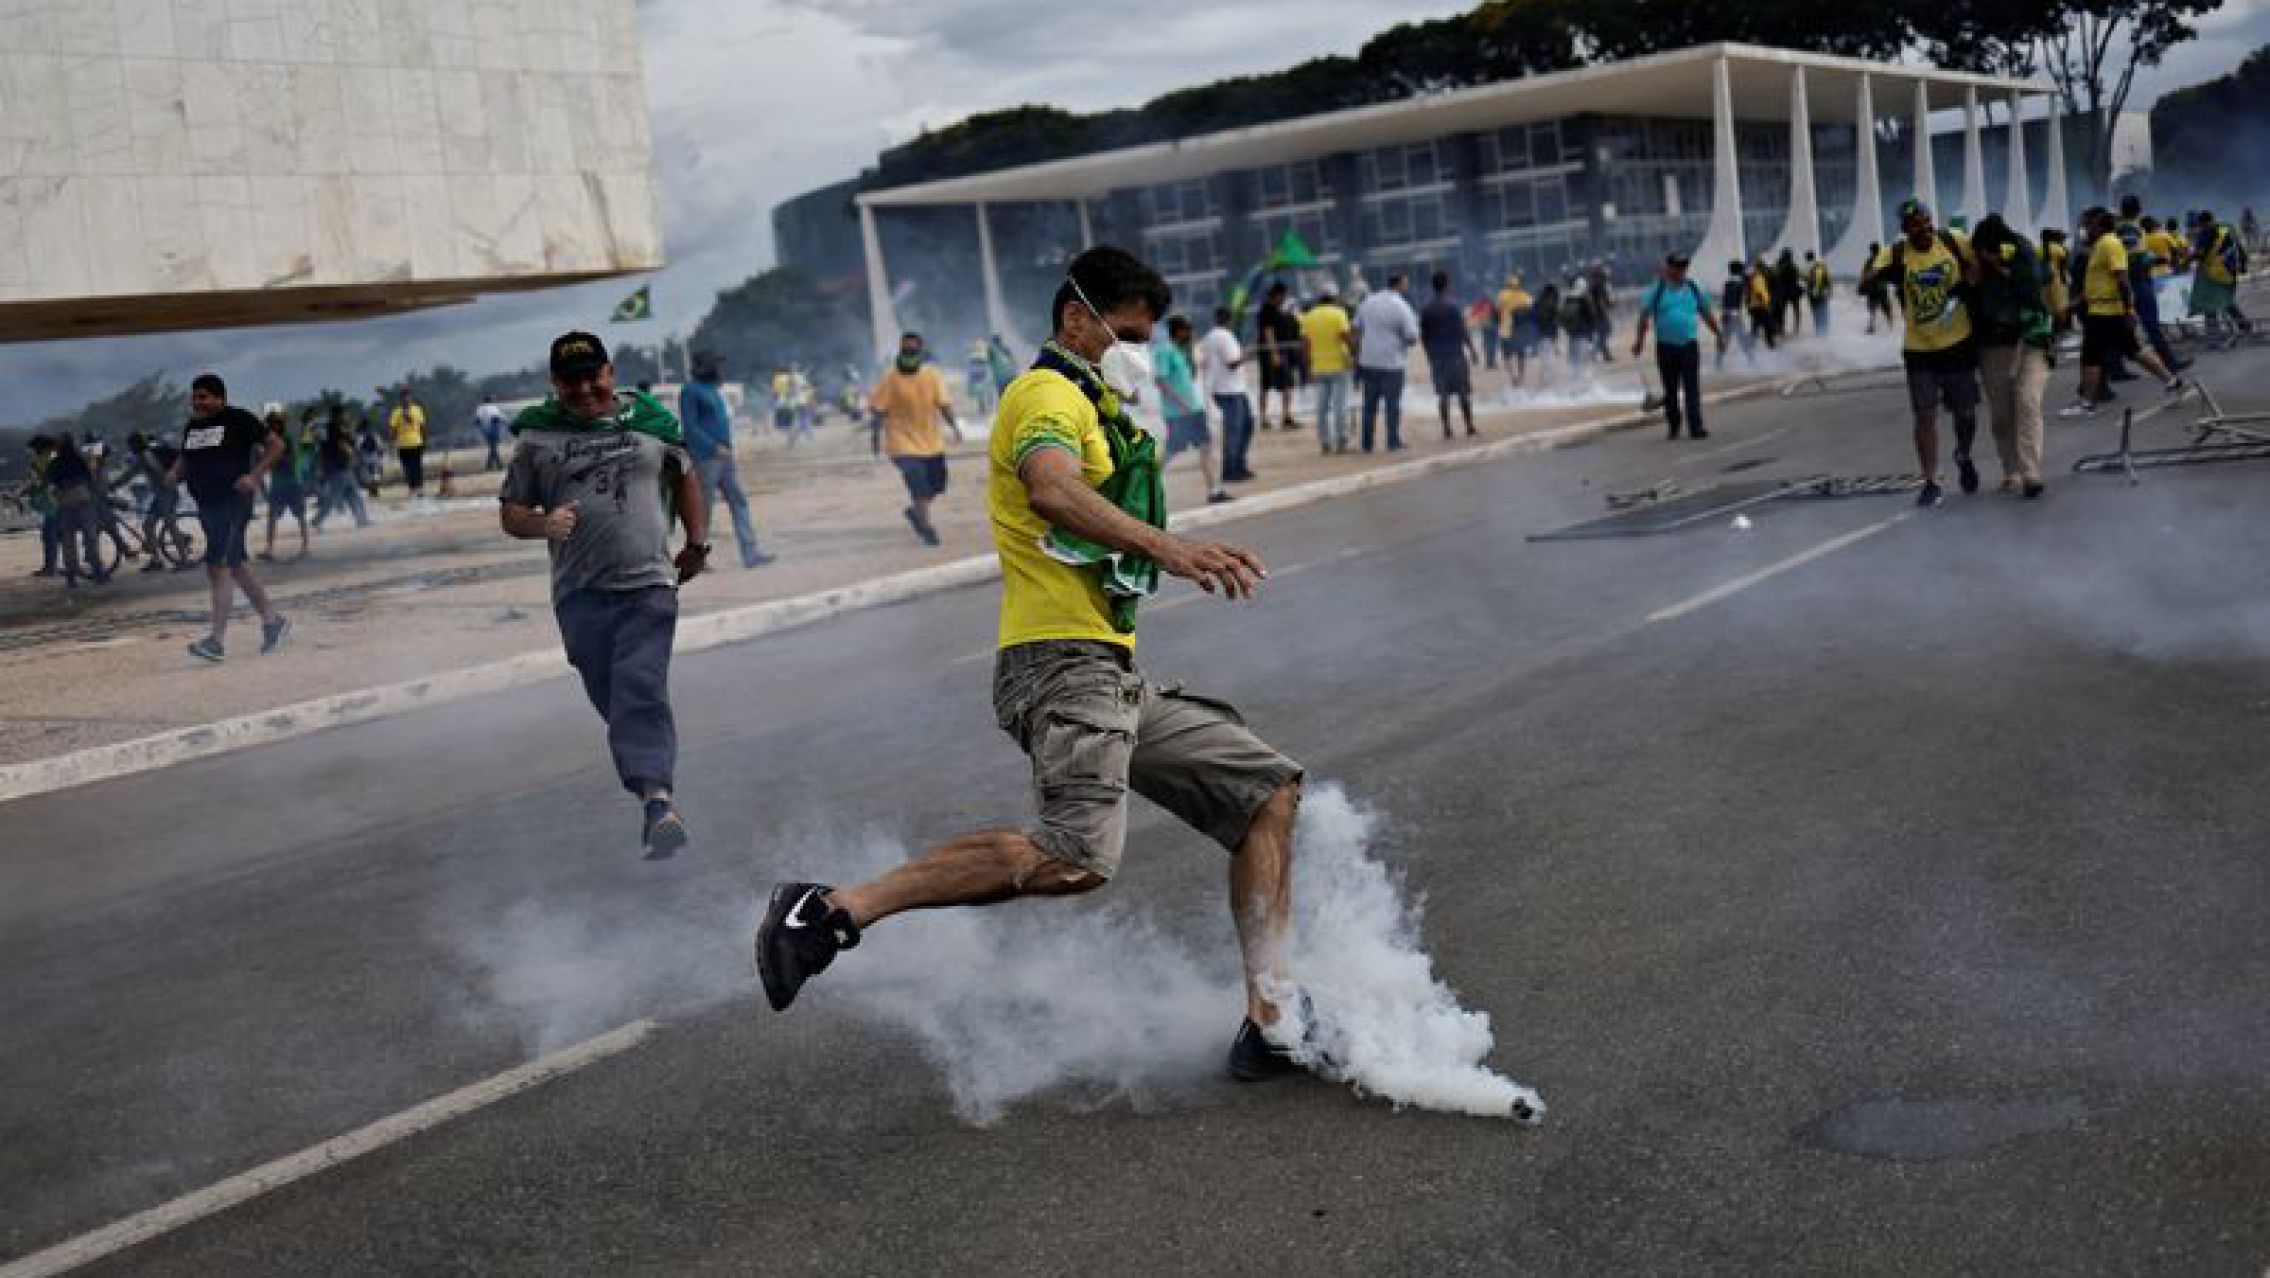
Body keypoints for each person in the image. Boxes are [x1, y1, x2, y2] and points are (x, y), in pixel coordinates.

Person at [753, 245, 1314, 1085]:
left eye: (1146, 337)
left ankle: (1274, 1020)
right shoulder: (1045, 394)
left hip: (1109, 669)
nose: (1137, 350)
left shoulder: (1096, 403)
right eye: (1126, 334)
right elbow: (1051, 488)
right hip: (1058, 663)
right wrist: (1172, 549)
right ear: (1076, 317)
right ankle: (829, 909)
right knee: (1074, 856)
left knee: (1265, 792)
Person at [499, 331, 709, 858]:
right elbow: (511, 513)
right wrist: (543, 524)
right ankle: (649, 776)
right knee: (615, 700)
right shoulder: (537, 437)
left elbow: (685, 476)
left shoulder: (651, 421)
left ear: (610, 372)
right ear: (555, 384)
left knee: (639, 685)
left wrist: (696, 544)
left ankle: (658, 802)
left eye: (593, 377)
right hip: (579, 595)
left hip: (648, 584)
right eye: (571, 381)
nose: (585, 389)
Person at [1863, 198, 1983, 508]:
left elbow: (1979, 262)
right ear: (1905, 230)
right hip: (1919, 349)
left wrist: (1970, 279)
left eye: (1925, 221)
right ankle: (1930, 480)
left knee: (1966, 413)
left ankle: (1963, 454)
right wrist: (1876, 272)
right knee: (1924, 415)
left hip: (1958, 342)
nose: (1923, 229)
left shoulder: (1952, 241)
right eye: (1914, 225)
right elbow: (1867, 279)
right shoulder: (1897, 253)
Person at [173, 374, 289, 660]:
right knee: (236, 566)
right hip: (207, 505)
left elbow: (277, 446)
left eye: (203, 396)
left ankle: (216, 641)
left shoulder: (239, 419)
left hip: (234, 503)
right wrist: (174, 473)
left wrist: (255, 476)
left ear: (220, 398)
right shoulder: (193, 426)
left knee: (219, 567)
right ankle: (273, 621)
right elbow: (185, 458)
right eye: (194, 396)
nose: (197, 402)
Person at [2059, 206, 2188, 419]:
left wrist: (2128, 310)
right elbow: (2096, 283)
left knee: (2091, 356)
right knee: (2134, 350)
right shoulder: (2100, 245)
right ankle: (2172, 381)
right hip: (2104, 309)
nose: (2084, 229)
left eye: (2087, 225)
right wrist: (2073, 304)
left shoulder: (2110, 244)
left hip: (2106, 311)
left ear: (2098, 225)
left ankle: (2087, 403)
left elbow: (2122, 280)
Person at [1971, 215, 2055, 500]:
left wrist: (2003, 267)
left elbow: (2033, 288)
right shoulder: (1974, 263)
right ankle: (2011, 469)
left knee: (2028, 401)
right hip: (1993, 344)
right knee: (2001, 414)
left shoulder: (2023, 252)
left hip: (2032, 339)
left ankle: (2031, 473)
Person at [869, 333, 964, 546]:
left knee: (936, 485)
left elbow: (944, 405)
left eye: (912, 352)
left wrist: (955, 427)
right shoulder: (890, 378)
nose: (908, 356)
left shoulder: (932, 376)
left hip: (931, 443)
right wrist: (874, 441)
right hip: (901, 444)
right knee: (917, 482)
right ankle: (926, 527)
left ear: (920, 353)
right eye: (905, 351)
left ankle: (915, 511)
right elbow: (877, 411)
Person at [682, 352, 774, 567]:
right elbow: (690, 427)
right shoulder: (690, 391)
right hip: (706, 459)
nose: (720, 370)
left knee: (739, 502)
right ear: (704, 367)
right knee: (704, 509)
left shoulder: (713, 390)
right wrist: (713, 447)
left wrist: (725, 448)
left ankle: (750, 554)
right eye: (716, 365)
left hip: (725, 457)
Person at [1632, 252, 1725, 442]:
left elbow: (1706, 312)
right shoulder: (1657, 290)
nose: (1681, 270)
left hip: (1689, 345)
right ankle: (1674, 425)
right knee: (1671, 389)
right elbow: (1644, 316)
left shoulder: (1694, 288)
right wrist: (1639, 341)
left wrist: (1718, 334)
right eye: (1677, 267)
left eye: (1684, 267)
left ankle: (1696, 427)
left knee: (1692, 388)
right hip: (1665, 347)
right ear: (1668, 268)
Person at [1155, 315, 1230, 504]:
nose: (1190, 332)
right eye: (1187, 329)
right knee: (1173, 450)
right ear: (1178, 330)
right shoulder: (1166, 351)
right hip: (1179, 412)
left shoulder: (1182, 351)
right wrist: (1181, 404)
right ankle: (1147, 479)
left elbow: (1194, 372)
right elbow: (1160, 381)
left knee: (1205, 446)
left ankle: (1214, 490)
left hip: (1192, 409)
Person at [2114, 196, 2188, 373]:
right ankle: (2169, 363)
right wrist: (2155, 259)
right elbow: (2131, 257)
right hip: (2137, 281)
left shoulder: (2125, 227)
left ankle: (2116, 368)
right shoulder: (2129, 228)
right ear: (2138, 209)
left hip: (2134, 280)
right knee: (2150, 324)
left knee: (2129, 327)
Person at [1354, 271, 1421, 452]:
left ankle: (1367, 443)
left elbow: (1357, 329)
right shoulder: (1401, 305)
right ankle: (1392, 441)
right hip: (1392, 363)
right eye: (1406, 283)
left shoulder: (1368, 301)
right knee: (1392, 404)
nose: (1407, 287)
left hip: (1369, 361)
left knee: (1369, 405)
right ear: (1399, 284)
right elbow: (1412, 336)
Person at [40, 435, 108, 587]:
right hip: (84, 501)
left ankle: (71, 578)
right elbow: (90, 479)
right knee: (90, 538)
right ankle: (98, 573)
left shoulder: (55, 462)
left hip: (65, 503)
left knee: (68, 541)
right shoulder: (79, 459)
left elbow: (46, 482)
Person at [1198, 307, 1256, 481]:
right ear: (1230, 320)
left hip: (1222, 388)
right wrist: (1248, 354)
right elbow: (1232, 363)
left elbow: (1204, 362)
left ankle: (1236, 465)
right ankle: (1232, 469)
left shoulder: (1208, 337)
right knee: (1237, 430)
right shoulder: (1225, 336)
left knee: (1240, 428)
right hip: (1231, 390)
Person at [1418, 271, 1478, 440]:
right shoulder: (1454, 305)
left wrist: (1429, 355)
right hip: (1455, 355)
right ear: (1446, 284)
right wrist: (1472, 350)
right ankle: (1469, 426)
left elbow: (1424, 336)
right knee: (1463, 392)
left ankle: (1447, 429)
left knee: (1443, 395)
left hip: (1438, 357)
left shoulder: (1426, 308)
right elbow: (1463, 330)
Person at [1299, 289, 1355, 454]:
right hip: (1339, 365)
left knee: (1321, 407)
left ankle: (1324, 442)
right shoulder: (1339, 313)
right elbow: (1345, 336)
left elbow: (1305, 344)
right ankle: (1341, 441)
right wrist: (1354, 353)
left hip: (1318, 367)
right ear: (1333, 300)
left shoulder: (1309, 317)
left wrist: (1307, 366)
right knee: (1340, 406)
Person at [2187, 209, 2252, 341]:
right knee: (2226, 300)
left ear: (2201, 223)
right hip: (2230, 272)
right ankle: (2244, 325)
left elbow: (2200, 253)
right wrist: (2243, 266)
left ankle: (2213, 332)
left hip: (2213, 274)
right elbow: (2239, 248)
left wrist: (2186, 260)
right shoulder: (2227, 229)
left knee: (2208, 303)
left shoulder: (2205, 232)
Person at [125, 432, 184, 571]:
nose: (130, 448)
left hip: (166, 494)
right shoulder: (144, 456)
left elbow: (157, 471)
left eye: (130, 445)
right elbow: (130, 474)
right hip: (161, 495)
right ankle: (156, 561)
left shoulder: (146, 456)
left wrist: (165, 483)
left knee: (171, 525)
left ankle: (184, 559)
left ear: (134, 445)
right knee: (148, 525)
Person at [259, 405, 310, 561]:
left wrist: (270, 457)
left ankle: (305, 547)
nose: (271, 427)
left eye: (273, 424)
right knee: (273, 516)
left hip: (291, 482)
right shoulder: (273, 440)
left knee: (299, 515)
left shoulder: (285, 439)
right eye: (270, 424)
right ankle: (269, 549)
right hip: (280, 483)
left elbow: (288, 459)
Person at [312, 407, 370, 531]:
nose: (347, 416)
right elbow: (342, 444)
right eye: (345, 414)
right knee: (333, 497)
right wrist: (352, 453)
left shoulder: (329, 428)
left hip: (338, 467)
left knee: (353, 493)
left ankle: (362, 519)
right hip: (338, 468)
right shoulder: (335, 428)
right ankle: (317, 520)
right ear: (339, 415)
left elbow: (323, 447)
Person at [1254, 282, 1302, 431]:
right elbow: (1269, 332)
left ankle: (1285, 416)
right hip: (1272, 353)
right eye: (1283, 295)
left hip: (1280, 351)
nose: (1284, 298)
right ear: (1277, 295)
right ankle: (1265, 418)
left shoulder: (1278, 309)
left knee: (1285, 384)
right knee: (1267, 385)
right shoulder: (1267, 309)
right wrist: (1274, 353)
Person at [1496, 271, 1535, 387]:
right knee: (1521, 355)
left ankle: (1513, 376)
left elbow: (1498, 310)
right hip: (1520, 331)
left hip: (1505, 330)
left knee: (1507, 356)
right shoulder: (1526, 296)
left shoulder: (1502, 295)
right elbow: (1531, 312)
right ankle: (1521, 378)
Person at [387, 388, 428, 500]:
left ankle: (419, 489)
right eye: (403, 397)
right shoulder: (396, 412)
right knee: (407, 468)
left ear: (411, 398)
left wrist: (425, 440)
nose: (406, 399)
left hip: (416, 442)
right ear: (400, 399)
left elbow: (422, 426)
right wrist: (391, 442)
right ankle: (412, 489)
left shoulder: (417, 409)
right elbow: (392, 428)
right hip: (402, 444)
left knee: (417, 467)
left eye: (407, 397)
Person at [1558, 271, 1595, 376]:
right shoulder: (1585, 299)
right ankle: (1585, 375)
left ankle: (1573, 376)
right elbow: (1591, 316)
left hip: (1572, 332)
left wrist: (1565, 328)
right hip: (1584, 332)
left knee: (1573, 355)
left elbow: (1561, 316)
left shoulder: (1567, 298)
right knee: (1585, 355)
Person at [1586, 258, 1616, 363]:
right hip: (1598, 312)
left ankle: (1604, 354)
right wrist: (1609, 304)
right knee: (1606, 330)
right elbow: (1602, 297)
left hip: (1596, 311)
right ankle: (1595, 352)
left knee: (1603, 332)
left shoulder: (1595, 281)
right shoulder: (1597, 282)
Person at [1746, 257, 1777, 350]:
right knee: (1767, 325)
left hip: (1754, 305)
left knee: (1756, 324)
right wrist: (1765, 303)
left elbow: (1751, 293)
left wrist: (1748, 304)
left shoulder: (1753, 278)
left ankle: (1752, 345)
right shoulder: (1758, 278)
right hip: (1760, 305)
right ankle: (1770, 345)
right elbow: (1759, 292)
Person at [1773, 249, 1803, 339]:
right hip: (1791, 291)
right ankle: (1795, 329)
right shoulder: (1790, 265)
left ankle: (1782, 329)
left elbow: (1775, 275)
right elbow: (1798, 274)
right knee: (1795, 311)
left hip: (1784, 292)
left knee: (1782, 311)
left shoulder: (1779, 265)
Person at [476, 395, 508, 471]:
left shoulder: (480, 408)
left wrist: (481, 428)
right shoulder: (493, 407)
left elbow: (477, 420)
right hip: (494, 428)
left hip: (485, 430)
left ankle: (490, 465)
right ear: (491, 400)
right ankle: (497, 465)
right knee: (493, 447)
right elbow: (499, 417)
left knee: (492, 447)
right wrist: (506, 422)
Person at [1805, 251, 1832, 336]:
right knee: (1824, 312)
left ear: (1807, 258)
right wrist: (1829, 291)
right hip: (1823, 293)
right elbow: (1828, 280)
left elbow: (1807, 280)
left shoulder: (1808, 267)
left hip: (1813, 294)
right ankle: (1825, 331)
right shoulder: (1822, 266)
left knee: (1816, 313)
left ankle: (1819, 331)